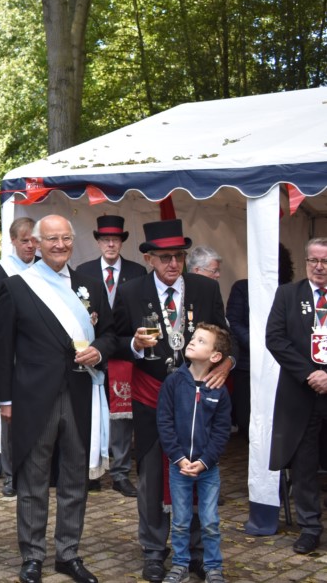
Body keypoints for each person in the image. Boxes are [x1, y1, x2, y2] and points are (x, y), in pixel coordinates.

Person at [0, 215, 116, 583]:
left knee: (75, 478)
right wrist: (5, 400)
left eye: (65, 238)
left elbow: (110, 333)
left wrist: (98, 351)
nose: (59, 245)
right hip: (33, 398)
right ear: (36, 243)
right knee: (33, 480)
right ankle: (32, 556)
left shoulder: (90, 285)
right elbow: (3, 349)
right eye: (51, 240)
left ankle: (68, 554)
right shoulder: (17, 287)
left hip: (80, 394)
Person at [111, 219, 229, 583]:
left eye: (178, 256)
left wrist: (227, 363)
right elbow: (112, 338)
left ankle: (194, 551)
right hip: (152, 397)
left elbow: (227, 340)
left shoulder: (205, 289)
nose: (173, 264)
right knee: (151, 475)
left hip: (199, 400)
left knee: (198, 471)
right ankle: (153, 549)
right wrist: (133, 344)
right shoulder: (131, 292)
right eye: (164, 258)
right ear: (149, 259)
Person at [75, 215, 146, 498]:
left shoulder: (137, 271)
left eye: (115, 239)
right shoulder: (83, 270)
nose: (111, 244)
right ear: (97, 241)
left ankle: (119, 472)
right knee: (91, 413)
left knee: (122, 418)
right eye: (105, 239)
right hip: (94, 351)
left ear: (122, 242)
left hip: (125, 352)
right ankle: (91, 471)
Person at [157, 324, 232, 583]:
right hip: (179, 468)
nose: (192, 342)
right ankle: (179, 564)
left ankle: (213, 566)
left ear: (215, 357)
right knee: (180, 520)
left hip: (207, 470)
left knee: (210, 521)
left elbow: (222, 432)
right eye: (193, 338)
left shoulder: (219, 390)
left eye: (201, 341)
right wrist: (178, 458)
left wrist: (204, 461)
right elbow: (164, 423)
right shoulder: (173, 382)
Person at [266, 237, 327, 556]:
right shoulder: (288, 294)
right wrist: (310, 373)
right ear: (305, 262)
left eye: (325, 261)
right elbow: (274, 338)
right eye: (313, 260)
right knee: (304, 464)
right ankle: (309, 527)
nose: (319, 267)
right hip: (301, 394)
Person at [0, 216, 38, 498]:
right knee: (10, 414)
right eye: (24, 240)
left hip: (41, 352)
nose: (30, 245)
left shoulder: (47, 269)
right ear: (13, 241)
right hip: (12, 350)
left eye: (33, 240)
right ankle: (11, 473)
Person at [226, 244, 294, 436]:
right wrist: (261, 345)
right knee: (247, 419)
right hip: (249, 366)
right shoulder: (242, 288)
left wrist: (280, 347)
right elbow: (234, 322)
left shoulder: (289, 291)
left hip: (282, 366)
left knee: (280, 420)